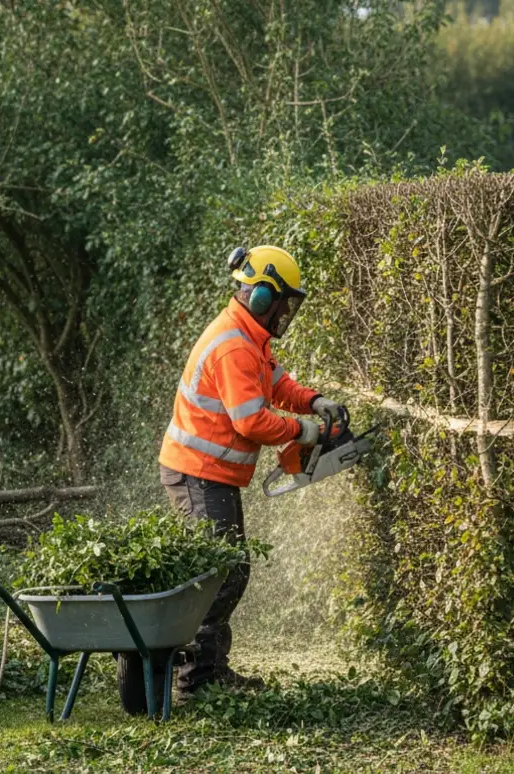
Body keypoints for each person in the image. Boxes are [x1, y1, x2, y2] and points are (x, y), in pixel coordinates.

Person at [155, 244, 344, 696]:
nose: (284, 311)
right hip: (197, 472)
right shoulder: (232, 346)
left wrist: (313, 401)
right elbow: (251, 420)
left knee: (227, 570)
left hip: (211, 473)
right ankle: (195, 678)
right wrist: (305, 432)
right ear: (261, 295)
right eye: (282, 301)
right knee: (221, 573)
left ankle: (208, 669)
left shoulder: (250, 336)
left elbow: (275, 383)